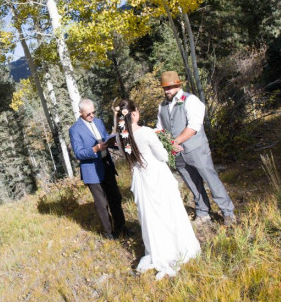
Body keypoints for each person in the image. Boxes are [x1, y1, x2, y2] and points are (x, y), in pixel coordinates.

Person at [117, 98, 200, 279]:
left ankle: (157, 248)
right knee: (168, 210)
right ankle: (177, 246)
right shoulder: (146, 132)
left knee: (151, 215)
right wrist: (164, 145)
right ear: (134, 114)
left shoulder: (120, 137)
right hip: (156, 175)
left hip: (140, 178)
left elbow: (128, 156)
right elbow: (162, 156)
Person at [156, 71, 236, 226]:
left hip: (196, 149)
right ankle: (203, 213)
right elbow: (160, 128)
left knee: (210, 179)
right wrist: (167, 143)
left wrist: (174, 141)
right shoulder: (162, 106)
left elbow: (194, 127)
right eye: (165, 88)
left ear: (178, 85)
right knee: (192, 183)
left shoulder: (191, 100)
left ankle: (227, 212)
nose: (167, 91)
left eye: (170, 87)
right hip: (177, 154)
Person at [69, 98, 127, 239]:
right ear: (80, 112)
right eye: (88, 114)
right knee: (102, 204)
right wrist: (94, 149)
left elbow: (106, 138)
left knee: (115, 198)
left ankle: (122, 228)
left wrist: (116, 142)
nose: (92, 115)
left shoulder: (98, 122)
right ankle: (109, 233)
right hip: (92, 171)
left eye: (93, 112)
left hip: (106, 165)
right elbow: (79, 153)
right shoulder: (75, 130)